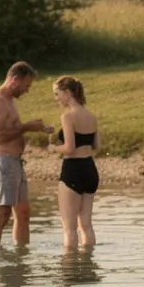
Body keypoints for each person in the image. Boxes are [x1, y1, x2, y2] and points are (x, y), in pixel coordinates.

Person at [0, 61, 54, 247]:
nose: (27, 90)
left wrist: (36, 127)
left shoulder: (9, 100)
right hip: (3, 161)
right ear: (15, 80)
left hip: (15, 162)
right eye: (26, 85)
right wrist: (27, 127)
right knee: (2, 214)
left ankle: (21, 255)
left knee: (23, 212)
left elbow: (13, 128)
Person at [52, 75, 99, 249]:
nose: (56, 98)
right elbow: (96, 145)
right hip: (90, 169)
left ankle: (70, 266)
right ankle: (88, 263)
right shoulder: (91, 116)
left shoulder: (68, 117)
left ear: (67, 92)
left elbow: (69, 147)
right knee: (86, 225)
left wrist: (53, 148)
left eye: (57, 94)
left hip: (73, 170)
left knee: (69, 228)